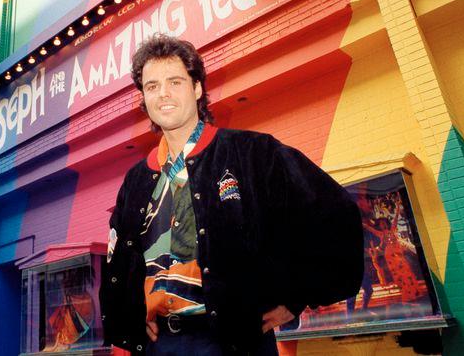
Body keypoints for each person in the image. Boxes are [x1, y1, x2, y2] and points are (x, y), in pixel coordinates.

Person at [99, 34, 363, 355]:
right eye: (152, 86)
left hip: (232, 342)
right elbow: (118, 263)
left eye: (175, 82)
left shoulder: (253, 153)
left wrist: (298, 295)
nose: (163, 94)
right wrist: (128, 316)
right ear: (143, 97)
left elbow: (335, 214)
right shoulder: (137, 179)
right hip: (159, 346)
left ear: (197, 89)